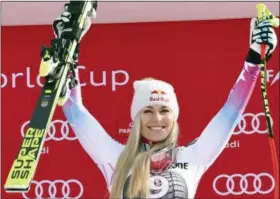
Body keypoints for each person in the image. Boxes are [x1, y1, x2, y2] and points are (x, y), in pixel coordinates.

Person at [44, 7, 278, 199]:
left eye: (164, 110)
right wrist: (67, 58)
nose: (157, 118)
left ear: (174, 116)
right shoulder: (116, 157)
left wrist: (255, 57)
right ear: (137, 118)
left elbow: (230, 112)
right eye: (148, 110)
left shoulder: (191, 157)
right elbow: (75, 112)